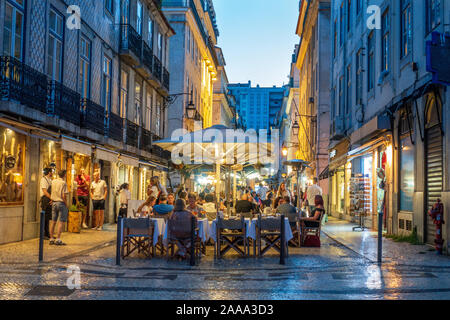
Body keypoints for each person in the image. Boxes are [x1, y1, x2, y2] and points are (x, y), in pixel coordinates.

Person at [49, 170, 69, 246]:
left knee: (53, 221)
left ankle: (51, 238)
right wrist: (66, 204)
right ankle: (58, 239)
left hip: (54, 202)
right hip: (61, 203)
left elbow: (52, 192)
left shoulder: (53, 181)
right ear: (64, 175)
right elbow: (63, 196)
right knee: (61, 222)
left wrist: (52, 199)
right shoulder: (63, 183)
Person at [40, 168, 53, 239]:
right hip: (45, 199)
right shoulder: (43, 180)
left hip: (49, 199)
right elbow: (44, 191)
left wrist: (52, 199)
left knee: (48, 217)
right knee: (44, 217)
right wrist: (52, 198)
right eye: (51, 172)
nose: (52, 173)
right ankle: (44, 234)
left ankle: (47, 234)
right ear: (49, 172)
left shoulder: (50, 180)